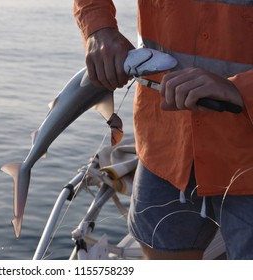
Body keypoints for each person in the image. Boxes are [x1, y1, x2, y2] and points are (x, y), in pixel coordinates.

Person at [73, 0, 253, 259]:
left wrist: (241, 89)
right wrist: (98, 28)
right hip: (165, 145)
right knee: (160, 250)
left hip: (245, 157)